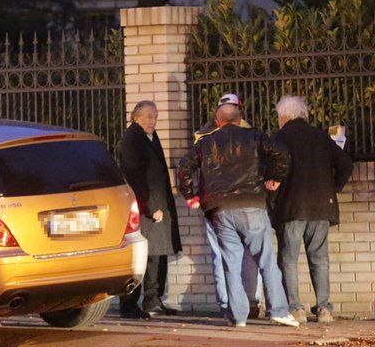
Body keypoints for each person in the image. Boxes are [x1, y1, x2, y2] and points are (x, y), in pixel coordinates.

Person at [178, 102, 298, 328]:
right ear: (239, 119)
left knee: (230, 264)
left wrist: (190, 195)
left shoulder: (206, 142)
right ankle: (279, 311)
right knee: (266, 261)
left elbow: (184, 166)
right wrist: (276, 179)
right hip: (251, 203)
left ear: (218, 121)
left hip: (221, 209)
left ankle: (238, 317)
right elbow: (282, 154)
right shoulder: (254, 137)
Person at [271, 95, 354, 324]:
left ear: (284, 116)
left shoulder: (280, 138)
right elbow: (345, 163)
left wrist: (272, 201)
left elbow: (271, 172)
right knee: (319, 258)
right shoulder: (321, 137)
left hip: (292, 207)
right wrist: (334, 186)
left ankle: (295, 308)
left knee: (288, 259)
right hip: (321, 206)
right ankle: (324, 308)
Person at [194, 93, 262, 319]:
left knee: (222, 256)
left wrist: (193, 194)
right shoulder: (251, 133)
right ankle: (251, 302)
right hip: (247, 201)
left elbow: (192, 166)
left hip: (216, 203)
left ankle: (228, 304)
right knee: (252, 255)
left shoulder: (203, 135)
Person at [116, 100, 182, 319]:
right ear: (135, 117)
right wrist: (151, 207)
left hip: (157, 206)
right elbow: (135, 176)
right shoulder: (132, 139)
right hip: (145, 209)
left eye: (155, 117)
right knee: (142, 258)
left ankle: (153, 301)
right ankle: (129, 304)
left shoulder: (149, 137)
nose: (153, 121)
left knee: (157, 255)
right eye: (148, 116)